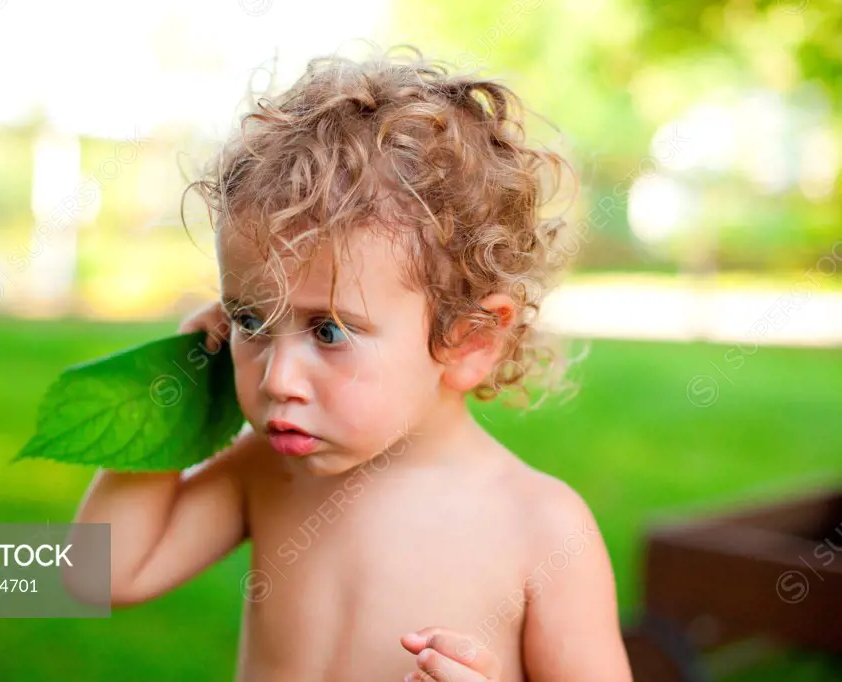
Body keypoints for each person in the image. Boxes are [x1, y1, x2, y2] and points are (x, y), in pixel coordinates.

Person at [71, 44, 633, 682]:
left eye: (329, 330)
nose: (277, 379)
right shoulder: (269, 471)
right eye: (250, 321)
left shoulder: (543, 529)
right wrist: (176, 390)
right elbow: (99, 574)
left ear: (470, 339)